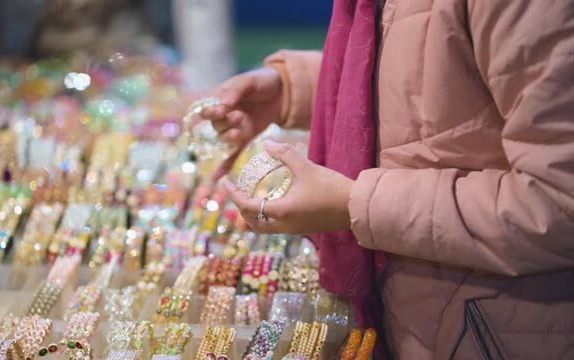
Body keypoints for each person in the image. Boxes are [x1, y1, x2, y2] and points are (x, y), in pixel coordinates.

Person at [202, 0, 574, 359]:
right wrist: (292, 89)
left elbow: (558, 203)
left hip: (497, 329)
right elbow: (435, 77)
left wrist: (357, 203)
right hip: (427, 318)